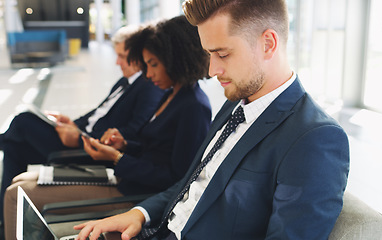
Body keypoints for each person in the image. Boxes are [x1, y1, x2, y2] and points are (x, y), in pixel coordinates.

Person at [74, 0, 350, 240]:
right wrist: (140, 214)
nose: (212, 69)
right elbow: (191, 183)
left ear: (268, 44)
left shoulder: (314, 138)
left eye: (223, 54)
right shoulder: (234, 105)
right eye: (208, 54)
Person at [4, 15, 212, 240]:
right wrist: (124, 145)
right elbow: (152, 148)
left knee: (16, 193)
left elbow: (177, 178)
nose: (148, 74)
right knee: (19, 182)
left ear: (176, 59)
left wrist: (118, 158)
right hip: (125, 179)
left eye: (153, 64)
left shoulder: (193, 107)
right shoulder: (172, 95)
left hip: (136, 193)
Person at [0, 25, 165, 224]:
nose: (117, 62)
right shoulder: (125, 82)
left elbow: (132, 133)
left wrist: (78, 137)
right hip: (80, 136)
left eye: (122, 56)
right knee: (13, 147)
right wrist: (72, 123)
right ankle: (4, 218)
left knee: (23, 120)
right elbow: (98, 113)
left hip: (87, 148)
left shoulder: (148, 88)